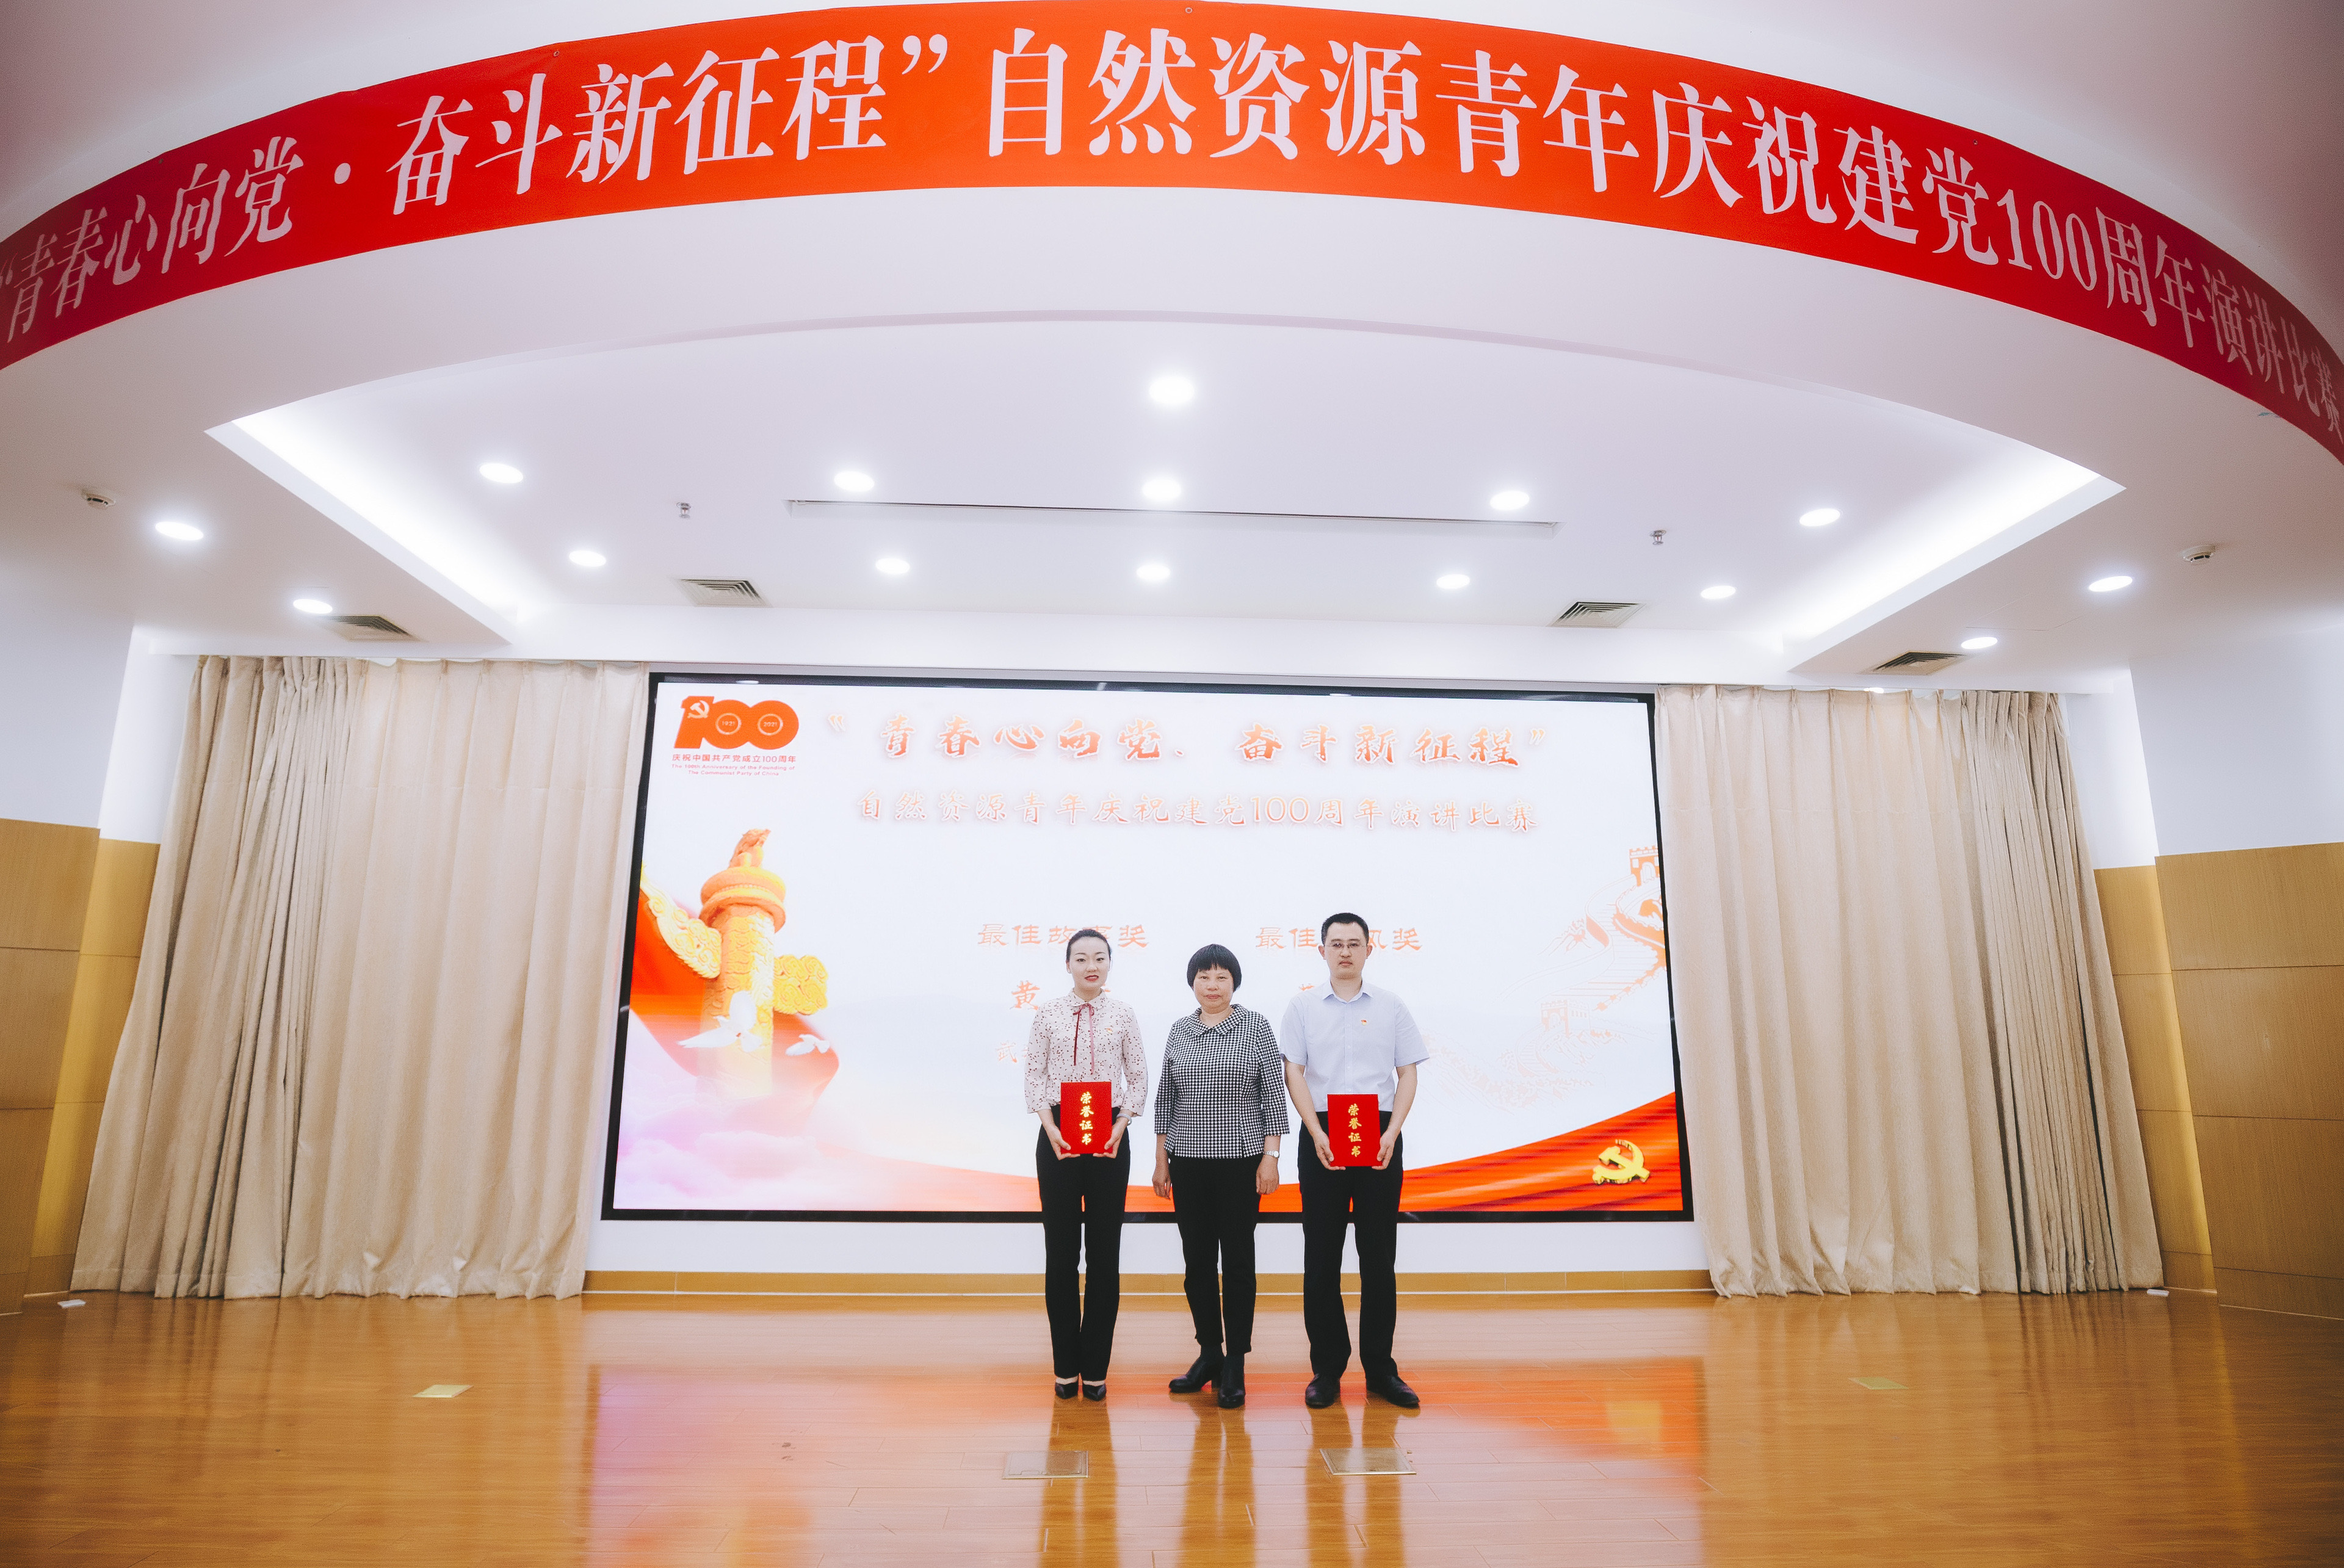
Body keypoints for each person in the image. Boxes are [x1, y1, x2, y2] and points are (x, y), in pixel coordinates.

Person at [1281, 912, 1428, 1410]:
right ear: (1322, 949)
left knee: (1378, 1256)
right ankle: (1327, 1369)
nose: (1345, 951)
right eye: (1336, 943)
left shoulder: (1391, 1005)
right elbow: (1294, 1072)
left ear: (1369, 948)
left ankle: (1381, 1369)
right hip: (1321, 1133)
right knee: (1321, 1257)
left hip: (1379, 1135)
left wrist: (1392, 1132)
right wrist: (1315, 1131)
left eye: (1354, 943)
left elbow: (1408, 1073)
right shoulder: (1303, 1006)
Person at [1151, 943, 1288, 1409]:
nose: (1212, 985)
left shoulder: (1255, 1026)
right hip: (1187, 1162)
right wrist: (1161, 1158)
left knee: (1238, 1262)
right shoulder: (1180, 1029)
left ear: (1235, 982)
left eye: (1221, 977)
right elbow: (1166, 1098)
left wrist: (1271, 1156)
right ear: (1192, 982)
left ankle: (1236, 1363)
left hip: (1240, 1163)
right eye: (1204, 977)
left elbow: (1274, 1096)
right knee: (1197, 1262)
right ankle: (1209, 1352)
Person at [1024, 928, 1148, 1401]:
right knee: (1060, 1255)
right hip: (1058, 1137)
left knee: (1103, 1254)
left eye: (1099, 957)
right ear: (1068, 965)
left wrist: (1123, 1123)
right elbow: (1034, 1074)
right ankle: (1065, 1367)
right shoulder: (1048, 1013)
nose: (1091, 965)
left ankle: (1095, 1368)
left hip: (1110, 1139)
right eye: (1081, 958)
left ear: (1110, 963)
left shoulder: (1124, 1013)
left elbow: (1138, 1076)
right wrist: (1049, 1125)